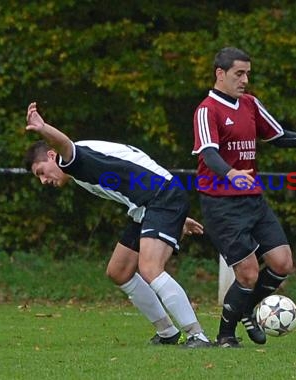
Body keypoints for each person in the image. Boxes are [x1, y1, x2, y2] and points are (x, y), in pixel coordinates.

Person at [192, 47, 296, 347]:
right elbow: (208, 153)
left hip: (253, 200)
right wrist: (230, 173)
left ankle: (248, 308)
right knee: (248, 273)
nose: (245, 79)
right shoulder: (207, 109)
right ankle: (226, 335)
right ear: (220, 74)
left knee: (282, 263)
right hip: (221, 203)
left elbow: (277, 135)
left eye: (248, 73)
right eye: (239, 73)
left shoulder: (250, 104)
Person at [24, 102, 212, 348]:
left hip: (160, 198)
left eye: (41, 171)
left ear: (51, 156)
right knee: (119, 271)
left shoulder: (73, 158)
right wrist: (176, 216)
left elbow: (64, 144)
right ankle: (167, 332)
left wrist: (43, 127)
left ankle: (197, 335)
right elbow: (137, 167)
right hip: (152, 204)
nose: (43, 180)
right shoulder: (86, 160)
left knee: (150, 268)